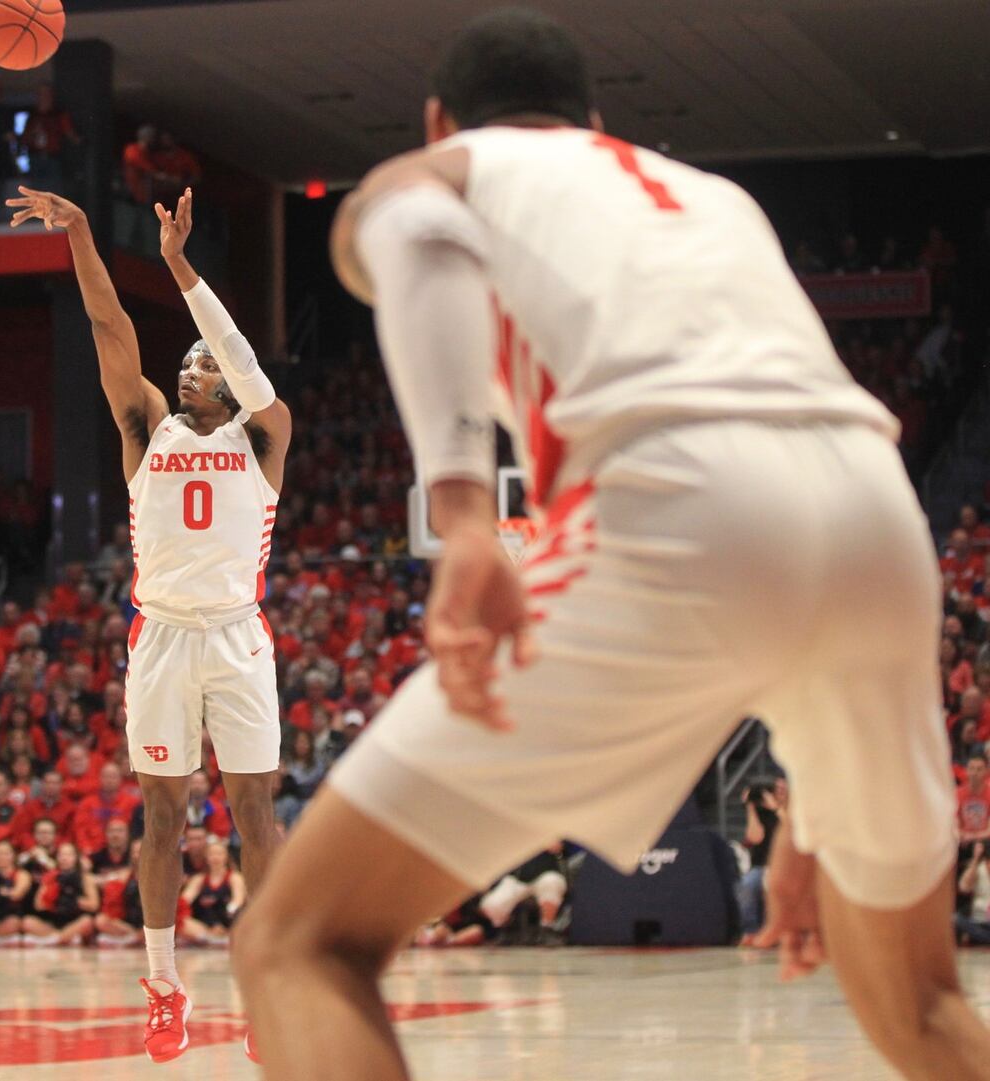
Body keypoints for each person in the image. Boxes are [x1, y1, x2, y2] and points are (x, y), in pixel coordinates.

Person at [234, 11, 987, 1081]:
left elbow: (406, 227)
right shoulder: (715, 200)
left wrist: (458, 515)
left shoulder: (454, 163)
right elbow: (786, 529)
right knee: (918, 1003)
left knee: (300, 942)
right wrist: (811, 815)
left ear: (441, 118)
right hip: (876, 515)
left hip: (674, 498)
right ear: (594, 121)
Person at [9, 181, 292, 1065]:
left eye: (203, 364)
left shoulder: (265, 435)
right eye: (186, 364)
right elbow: (107, 328)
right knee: (162, 816)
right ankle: (166, 987)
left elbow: (249, 365)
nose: (187, 370)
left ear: (231, 386)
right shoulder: (145, 426)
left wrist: (179, 265)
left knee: (255, 812)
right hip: (161, 634)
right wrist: (84, 236)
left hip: (239, 636)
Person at [23, 841, 99, 946]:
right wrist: (54, 900)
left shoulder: (85, 877)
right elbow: (38, 905)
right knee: (27, 921)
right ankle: (63, 938)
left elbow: (94, 905)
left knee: (87, 921)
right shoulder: (50, 877)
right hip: (53, 923)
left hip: (75, 921)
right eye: (61, 855)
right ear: (57, 858)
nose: (65, 858)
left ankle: (54, 940)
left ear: (76, 858)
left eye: (69, 854)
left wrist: (73, 900)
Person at [738, 779, 786, 936]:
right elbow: (754, 837)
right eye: (776, 789)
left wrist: (776, 808)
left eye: (782, 789)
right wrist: (750, 807)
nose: (779, 792)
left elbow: (790, 830)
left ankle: (780, 932)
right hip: (760, 866)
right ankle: (750, 932)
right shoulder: (759, 813)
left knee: (775, 887)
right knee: (747, 884)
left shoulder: (790, 810)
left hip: (782, 867)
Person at [179, 838, 244, 948]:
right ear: (206, 857)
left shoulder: (235, 877)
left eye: (219, 853)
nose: (215, 857)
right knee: (183, 923)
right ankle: (212, 939)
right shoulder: (199, 879)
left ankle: (222, 938)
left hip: (228, 922)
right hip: (205, 926)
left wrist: (226, 917)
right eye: (212, 854)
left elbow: (238, 901)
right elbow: (184, 901)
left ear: (226, 856)